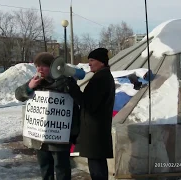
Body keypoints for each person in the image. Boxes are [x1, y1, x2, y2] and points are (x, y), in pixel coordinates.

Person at [15, 52, 80, 180]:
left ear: (52, 67)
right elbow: (18, 95)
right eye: (37, 66)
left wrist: (74, 133)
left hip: (60, 138)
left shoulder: (65, 82)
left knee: (62, 169)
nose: (39, 69)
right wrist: (29, 87)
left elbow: (77, 103)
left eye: (43, 66)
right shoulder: (35, 82)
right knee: (45, 169)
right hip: (40, 138)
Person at [68, 48, 115, 180]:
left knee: (97, 167)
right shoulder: (103, 76)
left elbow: (89, 104)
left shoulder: (101, 79)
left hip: (95, 130)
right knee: (98, 163)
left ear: (101, 62)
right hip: (97, 129)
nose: (89, 63)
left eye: (92, 60)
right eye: (89, 60)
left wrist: (73, 87)